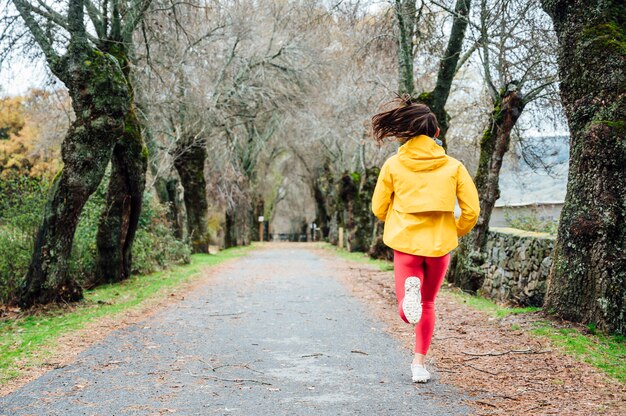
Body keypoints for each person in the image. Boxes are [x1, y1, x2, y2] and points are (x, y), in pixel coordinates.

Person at [371, 96, 480, 383]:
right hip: (439, 246)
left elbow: (378, 209)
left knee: (409, 307)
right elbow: (472, 210)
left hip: (406, 244)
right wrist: (454, 230)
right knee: (429, 303)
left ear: (407, 132)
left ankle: (410, 295)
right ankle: (418, 365)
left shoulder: (393, 165)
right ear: (436, 133)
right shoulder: (454, 166)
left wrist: (396, 215)